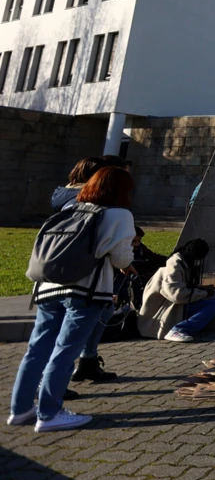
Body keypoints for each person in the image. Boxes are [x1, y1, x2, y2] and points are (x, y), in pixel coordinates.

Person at [9, 167, 136, 433]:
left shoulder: (68, 208)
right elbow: (121, 259)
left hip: (47, 287)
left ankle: (20, 410)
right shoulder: (119, 215)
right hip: (85, 292)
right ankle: (50, 413)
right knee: (65, 351)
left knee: (37, 349)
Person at [138, 238, 215, 343]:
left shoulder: (183, 263)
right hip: (165, 309)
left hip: (175, 304)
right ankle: (179, 329)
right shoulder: (174, 265)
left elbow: (183, 287)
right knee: (213, 305)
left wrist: (201, 289)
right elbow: (176, 295)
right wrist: (203, 293)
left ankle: (182, 327)